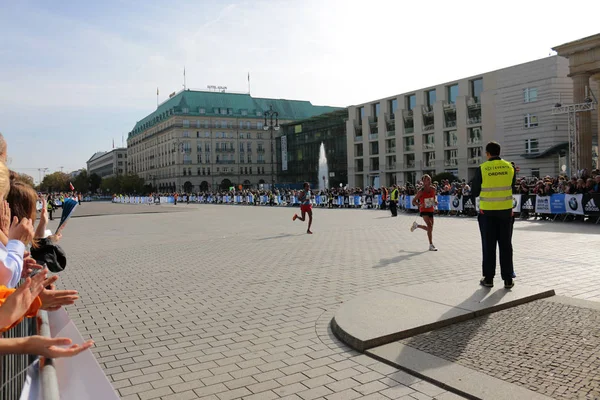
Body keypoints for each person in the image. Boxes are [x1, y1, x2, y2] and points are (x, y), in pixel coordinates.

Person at [471, 141, 516, 289]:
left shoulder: (482, 168)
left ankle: (489, 278)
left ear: (487, 153)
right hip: (506, 212)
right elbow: (512, 186)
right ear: (499, 151)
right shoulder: (510, 167)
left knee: (488, 246)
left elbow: (475, 191)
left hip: (487, 213)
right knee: (506, 245)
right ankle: (508, 279)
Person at [410, 175, 438, 251]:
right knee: (429, 225)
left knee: (430, 228)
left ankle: (417, 225)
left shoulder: (433, 189)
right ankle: (431, 245)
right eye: (427, 180)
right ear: (424, 182)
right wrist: (419, 205)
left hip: (431, 209)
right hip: (424, 210)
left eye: (429, 179)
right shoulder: (421, 191)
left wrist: (435, 202)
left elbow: (434, 198)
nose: (429, 181)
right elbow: (413, 201)